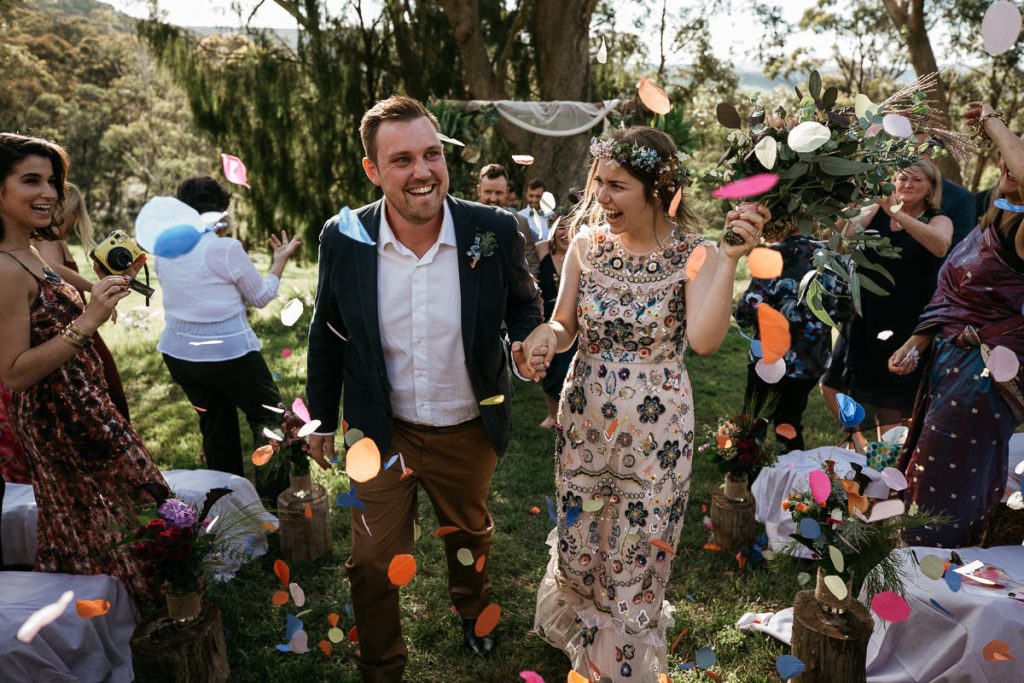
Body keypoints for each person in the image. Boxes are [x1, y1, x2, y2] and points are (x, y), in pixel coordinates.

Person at [305, 95, 543, 682]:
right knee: (369, 562)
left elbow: (522, 302)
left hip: (468, 425)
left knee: (469, 534)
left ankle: (472, 608)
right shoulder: (343, 237)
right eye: (402, 159)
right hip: (379, 430)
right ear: (373, 170)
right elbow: (328, 330)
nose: (422, 171)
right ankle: (381, 667)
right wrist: (315, 415)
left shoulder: (491, 228)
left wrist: (527, 336)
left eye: (432, 154)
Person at [521, 127, 769, 679]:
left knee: (638, 540)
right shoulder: (585, 247)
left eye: (617, 186)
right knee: (584, 534)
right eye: (598, 183)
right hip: (584, 417)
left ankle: (618, 656)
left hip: (657, 429)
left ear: (656, 188)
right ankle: (588, 642)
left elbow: (704, 342)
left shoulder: (693, 253)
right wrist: (545, 336)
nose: (602, 198)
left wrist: (729, 260)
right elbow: (565, 324)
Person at [0, 133, 167, 600]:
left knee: (129, 509)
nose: (49, 193)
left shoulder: (28, 250)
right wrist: (88, 321)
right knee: (107, 519)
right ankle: (132, 614)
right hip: (59, 423)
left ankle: (150, 606)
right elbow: (13, 371)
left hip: (85, 408)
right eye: (31, 180)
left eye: (52, 181)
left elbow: (79, 302)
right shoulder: (4, 270)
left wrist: (106, 290)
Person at [889, 103, 1024, 548]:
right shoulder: (994, 212)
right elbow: (952, 295)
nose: (1008, 163)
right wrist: (916, 342)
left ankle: (941, 572)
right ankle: (913, 570)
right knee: (927, 465)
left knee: (950, 473)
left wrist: (992, 120)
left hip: (983, 376)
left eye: (1016, 156)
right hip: (948, 363)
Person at [155, 176, 301, 492]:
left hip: (181, 356)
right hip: (229, 354)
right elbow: (260, 297)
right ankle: (276, 510)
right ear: (219, 213)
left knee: (216, 427)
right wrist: (279, 262)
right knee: (270, 423)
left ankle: (229, 511)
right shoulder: (224, 248)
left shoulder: (164, 249)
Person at [821, 160, 953, 442]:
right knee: (837, 385)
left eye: (916, 180)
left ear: (930, 190)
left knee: (893, 404)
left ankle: (891, 466)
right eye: (902, 178)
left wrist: (896, 212)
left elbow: (940, 246)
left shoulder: (939, 220)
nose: (907, 184)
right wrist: (862, 203)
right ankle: (864, 450)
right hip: (865, 317)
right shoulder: (875, 213)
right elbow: (844, 238)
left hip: (907, 322)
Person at [734, 228, 851, 451]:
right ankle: (792, 480)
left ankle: (746, 481)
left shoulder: (774, 254)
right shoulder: (834, 259)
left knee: (754, 420)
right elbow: (844, 310)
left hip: (769, 358)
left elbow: (749, 308)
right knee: (790, 422)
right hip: (811, 361)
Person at [34, 182, 132, 420]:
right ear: (70, 210)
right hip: (72, 325)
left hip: (77, 320)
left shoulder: (54, 238)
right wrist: (93, 286)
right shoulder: (48, 238)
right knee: (107, 389)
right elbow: (51, 267)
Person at [535, 216, 576, 429]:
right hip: (546, 319)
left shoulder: (582, 254)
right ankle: (552, 414)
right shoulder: (542, 250)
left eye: (570, 228)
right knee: (549, 371)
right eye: (560, 227)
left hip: (574, 322)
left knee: (569, 371)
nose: (565, 233)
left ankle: (573, 414)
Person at [477, 163, 541, 277]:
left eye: (498, 193)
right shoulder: (465, 219)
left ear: (507, 192)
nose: (493, 198)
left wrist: (528, 285)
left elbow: (532, 263)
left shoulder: (520, 222)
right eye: (488, 192)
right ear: (478, 190)